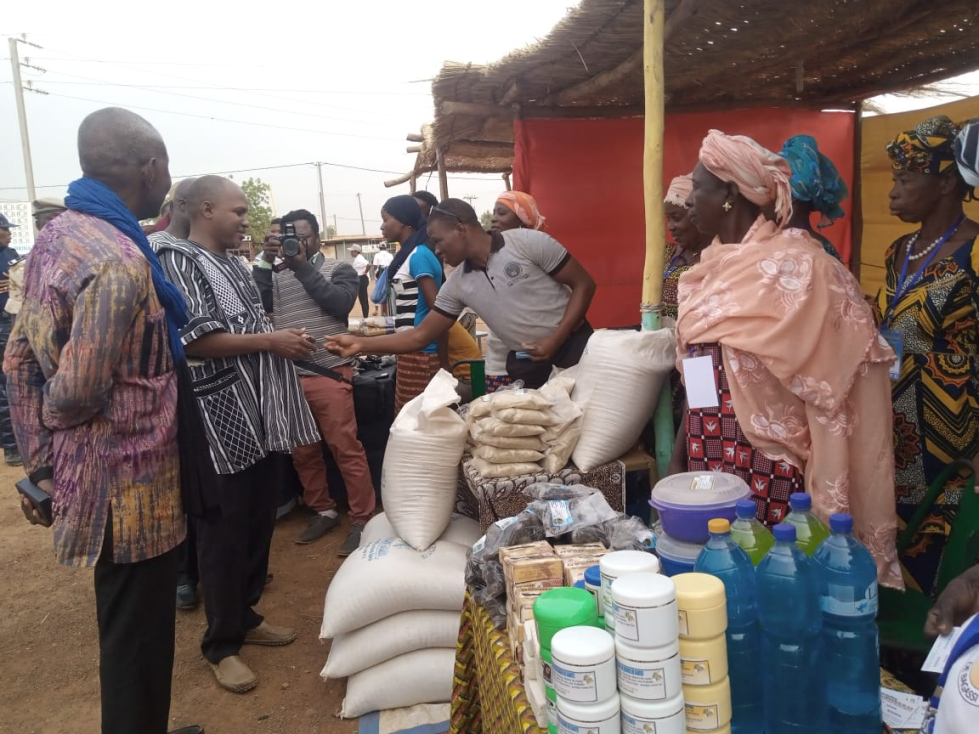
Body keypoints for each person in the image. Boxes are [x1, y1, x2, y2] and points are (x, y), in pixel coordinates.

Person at [4, 107, 202, 734]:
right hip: (128, 478)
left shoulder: (56, 237)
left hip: (98, 471)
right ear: (149, 167)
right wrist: (60, 440)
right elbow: (79, 388)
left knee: (127, 620)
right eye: (165, 166)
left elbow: (16, 360)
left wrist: (40, 459)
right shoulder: (119, 259)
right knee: (137, 630)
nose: (167, 179)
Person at [670, 128, 901, 587]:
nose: (688, 199)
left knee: (776, 594)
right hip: (707, 463)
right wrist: (681, 457)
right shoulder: (706, 274)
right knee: (715, 597)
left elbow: (842, 383)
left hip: (772, 471)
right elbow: (698, 378)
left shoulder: (807, 270)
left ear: (731, 194)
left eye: (699, 187)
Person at [157, 175, 321, 694]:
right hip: (218, 418)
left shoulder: (233, 262)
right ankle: (220, 642)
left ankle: (245, 614)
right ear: (205, 209)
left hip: (259, 411)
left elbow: (246, 326)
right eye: (238, 210)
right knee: (223, 530)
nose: (245, 220)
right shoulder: (178, 259)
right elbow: (197, 341)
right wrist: (273, 341)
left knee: (256, 518)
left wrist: (278, 339)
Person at [327, 198, 596, 391]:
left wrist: (555, 338)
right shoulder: (457, 285)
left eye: (438, 240)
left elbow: (584, 284)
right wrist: (360, 344)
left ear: (460, 228)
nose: (436, 249)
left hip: (575, 349)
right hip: (527, 364)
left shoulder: (526, 243)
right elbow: (421, 335)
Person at [874, 115, 979, 597]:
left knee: (945, 566)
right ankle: (897, 665)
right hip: (893, 435)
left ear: (945, 183)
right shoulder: (898, 251)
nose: (893, 192)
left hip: (954, 448)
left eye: (904, 179)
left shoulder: (974, 252)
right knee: (896, 558)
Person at [254, 208, 376, 551]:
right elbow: (260, 304)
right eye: (288, 238)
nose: (296, 243)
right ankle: (323, 510)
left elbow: (339, 304)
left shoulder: (339, 268)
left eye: (304, 237)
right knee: (303, 452)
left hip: (329, 373)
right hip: (290, 378)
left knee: (345, 448)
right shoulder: (276, 275)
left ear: (317, 238)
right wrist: (266, 259)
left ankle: (361, 518)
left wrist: (302, 266)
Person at [379, 195, 448, 412]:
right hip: (412, 351)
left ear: (402, 221)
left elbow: (439, 312)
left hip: (422, 354)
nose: (382, 226)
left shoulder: (418, 256)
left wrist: (444, 362)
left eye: (386, 219)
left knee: (417, 422)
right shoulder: (409, 254)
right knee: (410, 419)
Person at [779, 134, 847, 261]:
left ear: (791, 195)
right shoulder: (823, 246)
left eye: (776, 186)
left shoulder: (778, 247)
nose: (766, 194)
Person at [662, 174, 713, 321]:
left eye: (676, 218)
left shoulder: (717, 256)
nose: (670, 226)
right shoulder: (667, 253)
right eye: (668, 219)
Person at [0, 212, 23, 467]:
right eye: (5, 229)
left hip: (12, 322)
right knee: (5, 385)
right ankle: (10, 446)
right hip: (1, 327)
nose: (9, 233)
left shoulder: (11, 253)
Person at [149, 178, 195, 252]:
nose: (208, 213)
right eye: (204, 207)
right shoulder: (154, 246)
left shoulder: (199, 248)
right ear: (182, 205)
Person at [349, 244, 370, 317]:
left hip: (361, 279)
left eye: (352, 251)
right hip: (361, 279)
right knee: (363, 300)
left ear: (356, 251)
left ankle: (365, 317)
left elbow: (368, 264)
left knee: (363, 300)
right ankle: (365, 316)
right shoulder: (358, 258)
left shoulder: (359, 259)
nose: (351, 253)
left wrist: (365, 272)